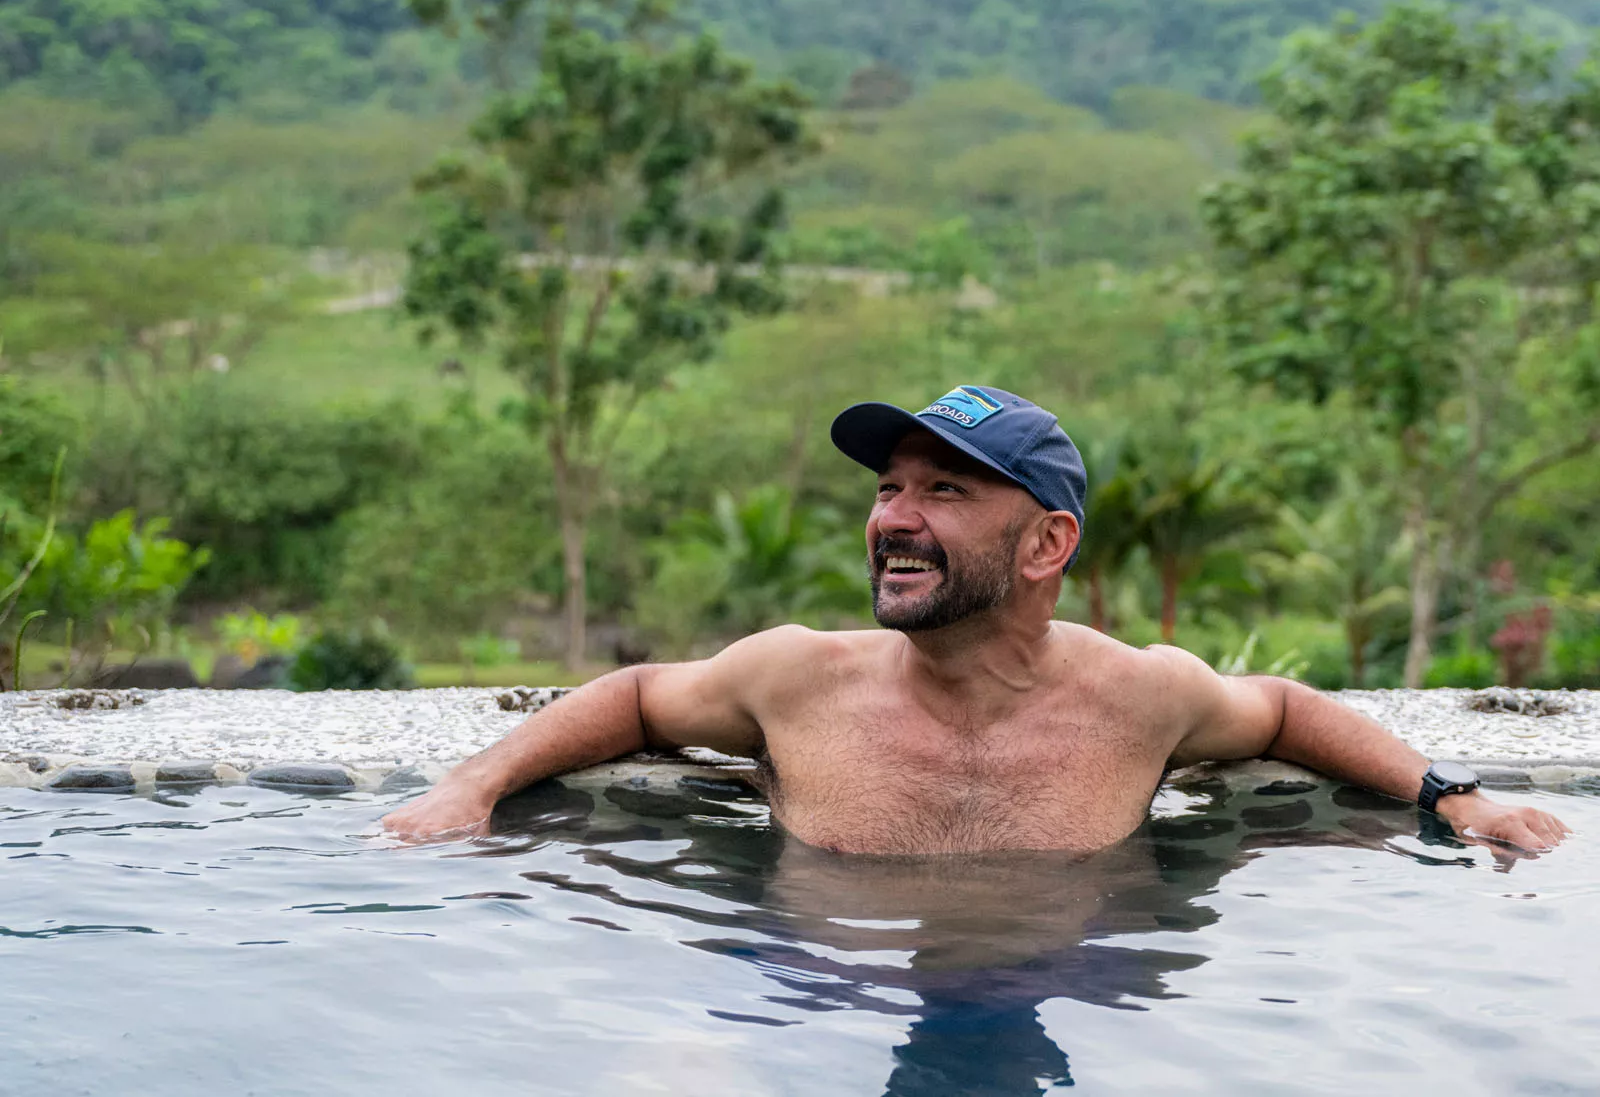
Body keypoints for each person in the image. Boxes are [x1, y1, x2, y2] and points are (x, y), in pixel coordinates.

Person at [382, 385, 1570, 856]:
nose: (893, 517)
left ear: (1047, 543)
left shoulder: (1141, 694)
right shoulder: (796, 678)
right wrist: (469, 788)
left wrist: (1449, 797)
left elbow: (1285, 711)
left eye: (943, 491)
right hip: (821, 999)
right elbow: (636, 695)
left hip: (1071, 983)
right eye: (887, 487)